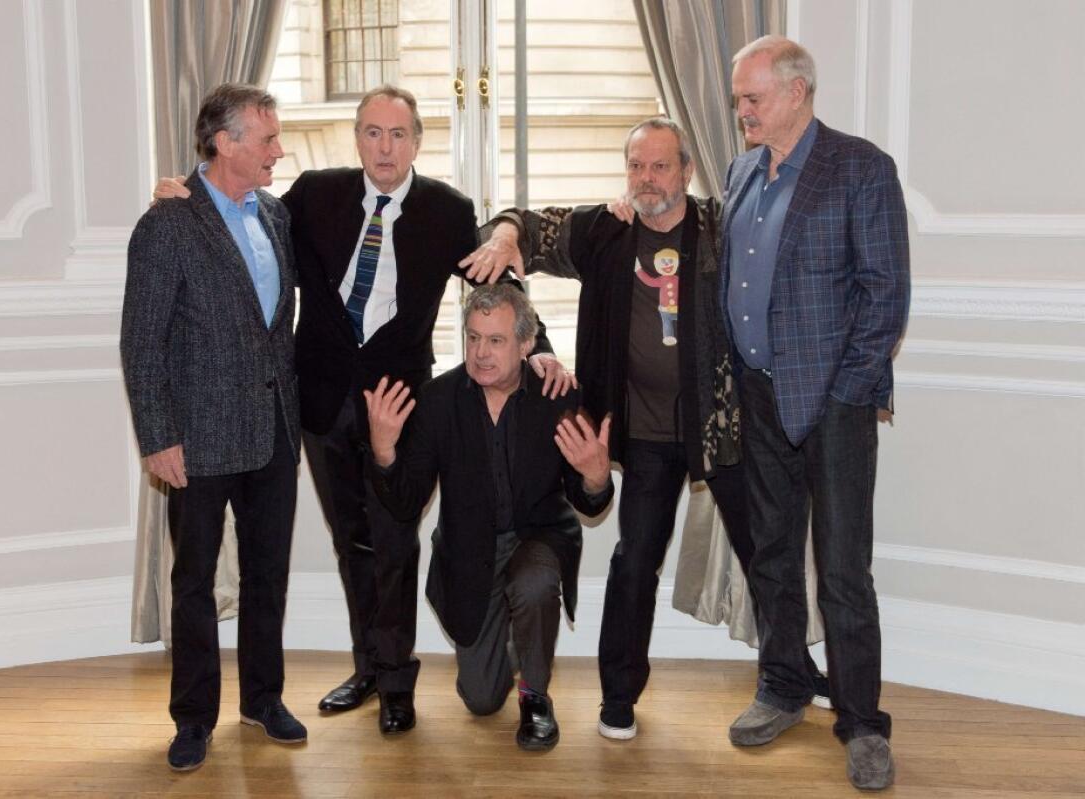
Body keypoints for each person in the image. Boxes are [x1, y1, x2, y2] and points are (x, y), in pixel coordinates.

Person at [153, 85, 573, 735]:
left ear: (417, 143)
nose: (385, 146)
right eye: (373, 133)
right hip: (318, 403)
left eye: (398, 135)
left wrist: (538, 349)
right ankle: (368, 668)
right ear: (357, 138)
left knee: (394, 539)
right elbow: (238, 221)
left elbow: (497, 284)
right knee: (353, 547)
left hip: (400, 405)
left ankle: (398, 681)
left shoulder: (447, 210)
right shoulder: (315, 194)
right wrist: (182, 195)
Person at [460, 117, 828, 741]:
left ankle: (792, 669)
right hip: (645, 436)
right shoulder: (606, 230)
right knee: (635, 564)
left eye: (660, 166)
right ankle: (618, 695)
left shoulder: (722, 225)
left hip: (722, 427)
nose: (646, 178)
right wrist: (502, 237)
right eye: (636, 166)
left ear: (686, 170)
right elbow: (525, 224)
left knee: (767, 554)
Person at [721, 36, 909, 791]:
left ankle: (862, 722)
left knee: (841, 571)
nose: (741, 113)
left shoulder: (861, 169)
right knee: (771, 554)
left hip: (832, 404)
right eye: (739, 100)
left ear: (797, 92)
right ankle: (784, 684)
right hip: (758, 395)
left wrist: (845, 392)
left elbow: (883, 293)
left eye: (752, 98)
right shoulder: (741, 170)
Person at [121, 83, 306, 772]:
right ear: (225, 142)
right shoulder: (167, 224)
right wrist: (156, 434)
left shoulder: (277, 216)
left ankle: (262, 697)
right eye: (266, 139)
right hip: (195, 438)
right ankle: (192, 717)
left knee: (268, 575)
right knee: (194, 580)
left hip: (274, 430)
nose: (277, 151)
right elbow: (142, 341)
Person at [364, 284, 614, 750]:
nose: (480, 353)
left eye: (495, 340)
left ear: (526, 344)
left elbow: (588, 501)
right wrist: (384, 450)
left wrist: (597, 478)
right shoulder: (438, 400)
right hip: (470, 552)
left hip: (537, 539)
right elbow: (404, 503)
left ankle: (535, 696)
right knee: (479, 700)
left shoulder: (557, 394)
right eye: (473, 337)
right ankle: (511, 635)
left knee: (535, 584)